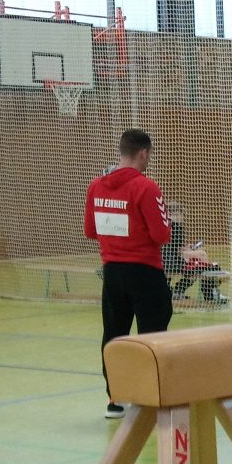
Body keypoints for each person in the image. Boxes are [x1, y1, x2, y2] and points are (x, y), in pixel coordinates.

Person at [86, 128, 173, 417]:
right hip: (144, 272)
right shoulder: (146, 187)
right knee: (153, 335)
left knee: (114, 336)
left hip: (112, 273)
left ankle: (116, 398)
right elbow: (162, 235)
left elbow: (90, 230)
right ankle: (150, 396)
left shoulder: (96, 187)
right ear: (143, 153)